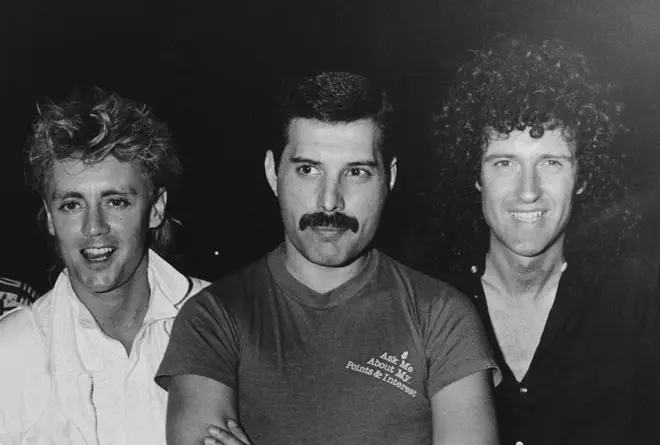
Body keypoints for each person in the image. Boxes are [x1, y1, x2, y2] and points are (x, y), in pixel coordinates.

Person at [155, 71, 499, 445]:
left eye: (356, 172)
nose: (330, 200)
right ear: (273, 172)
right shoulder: (214, 318)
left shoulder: (442, 317)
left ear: (389, 178)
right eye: (308, 170)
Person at [424, 37, 659, 444]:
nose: (528, 190)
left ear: (582, 175)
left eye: (551, 163)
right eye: (504, 163)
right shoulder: (429, 305)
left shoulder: (638, 303)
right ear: (476, 175)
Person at [0, 88, 209, 444]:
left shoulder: (223, 323)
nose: (93, 226)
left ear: (155, 208)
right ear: (50, 217)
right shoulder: (12, 353)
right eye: (71, 204)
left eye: (115, 201)